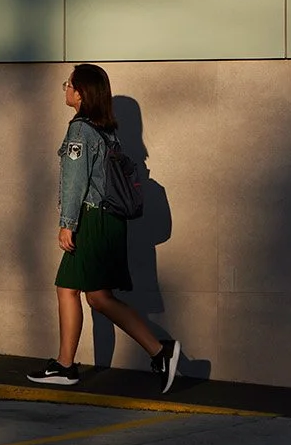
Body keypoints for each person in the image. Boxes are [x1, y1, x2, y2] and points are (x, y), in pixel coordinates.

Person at [27, 63, 181, 393]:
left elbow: (75, 183)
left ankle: (67, 366)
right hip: (109, 222)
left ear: (81, 92)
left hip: (91, 220)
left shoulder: (81, 131)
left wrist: (67, 224)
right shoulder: (106, 131)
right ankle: (160, 353)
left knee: (69, 289)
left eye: (68, 84)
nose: (65, 89)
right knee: (97, 297)